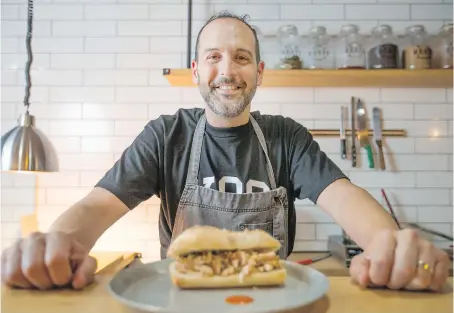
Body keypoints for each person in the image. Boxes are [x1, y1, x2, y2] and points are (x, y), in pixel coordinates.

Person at [1, 11, 449, 292]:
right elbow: (98, 204)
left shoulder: (286, 137)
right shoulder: (165, 135)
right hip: (178, 300)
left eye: (240, 57)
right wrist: (57, 245)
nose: (226, 70)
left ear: (259, 71)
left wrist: (389, 245)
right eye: (213, 57)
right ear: (196, 70)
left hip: (275, 301)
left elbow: (343, 195)